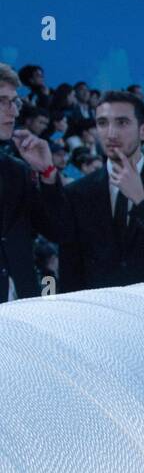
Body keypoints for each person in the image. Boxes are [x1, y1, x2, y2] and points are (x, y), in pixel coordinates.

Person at [46, 90, 144, 292]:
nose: (111, 133)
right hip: (97, 314)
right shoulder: (77, 192)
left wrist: (141, 200)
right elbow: (71, 268)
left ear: (143, 131)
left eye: (122, 123)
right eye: (102, 123)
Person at [0, 63, 64, 302]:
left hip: (24, 310)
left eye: (14, 102)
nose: (14, 112)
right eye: (2, 101)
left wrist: (47, 172)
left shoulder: (16, 170)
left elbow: (57, 230)